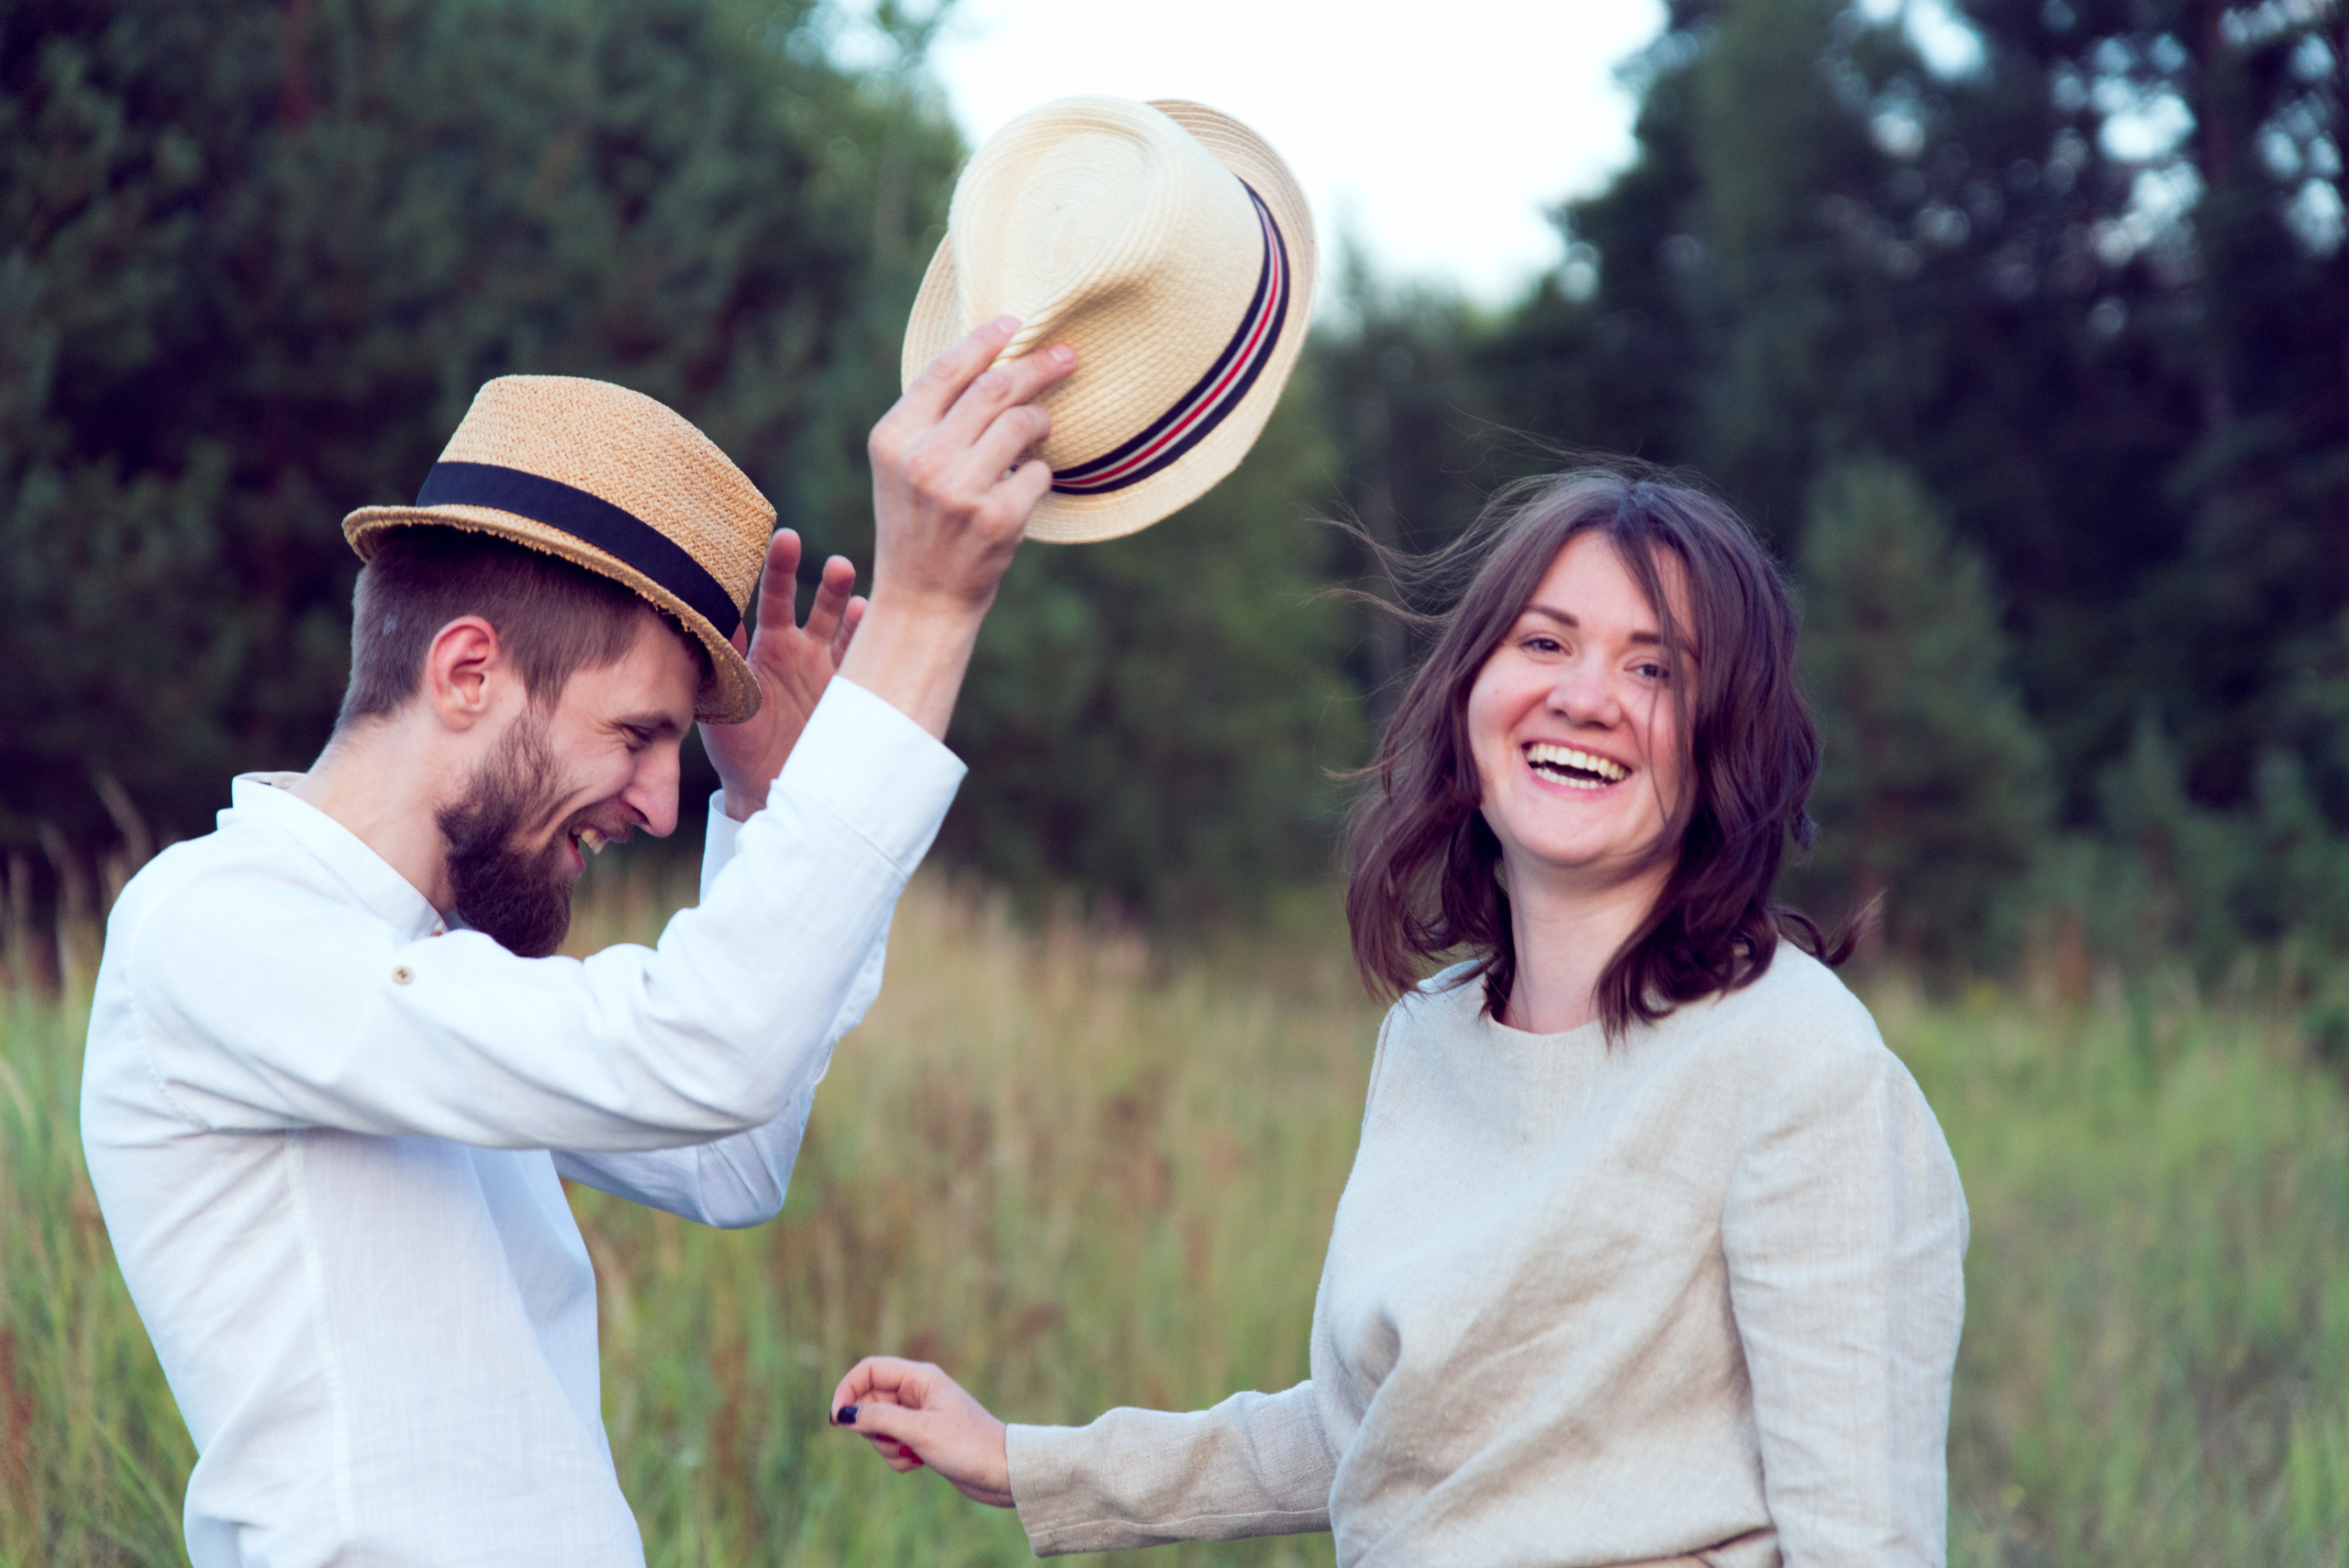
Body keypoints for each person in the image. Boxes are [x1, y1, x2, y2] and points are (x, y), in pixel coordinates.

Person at [829, 469, 1972, 1566]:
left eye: (1657, 669)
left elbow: (1862, 1537)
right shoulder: (1431, 1034)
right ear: (1472, 687)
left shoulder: (1798, 1066)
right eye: (1544, 641)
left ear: (1729, 738)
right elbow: (1387, 1434)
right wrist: (1027, 1463)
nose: (1585, 695)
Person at [80, 315, 1074, 1566]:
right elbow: (702, 1055)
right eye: (637, 735)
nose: (663, 805)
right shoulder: (218, 926)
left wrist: (770, 808)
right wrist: (925, 616)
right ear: (467, 672)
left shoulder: (419, 966)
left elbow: (726, 1154)